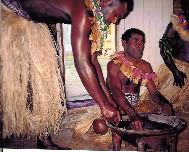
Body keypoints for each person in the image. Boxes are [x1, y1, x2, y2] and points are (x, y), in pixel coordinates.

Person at [0, 0, 133, 148]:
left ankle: (44, 141)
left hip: (33, 20)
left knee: (42, 91)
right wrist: (103, 105)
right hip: (11, 13)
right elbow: (82, 63)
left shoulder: (93, 18)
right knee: (19, 93)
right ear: (107, 1)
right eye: (116, 15)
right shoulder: (83, 8)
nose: (115, 21)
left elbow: (93, 62)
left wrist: (109, 101)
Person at [140, 0, 189, 113]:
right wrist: (175, 72)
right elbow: (163, 49)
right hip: (178, 72)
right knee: (165, 106)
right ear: (184, 6)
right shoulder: (175, 25)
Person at [106, 28, 174, 150]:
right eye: (135, 40)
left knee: (164, 111)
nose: (140, 45)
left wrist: (164, 103)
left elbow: (153, 93)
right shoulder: (114, 64)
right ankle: (121, 135)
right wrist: (131, 114)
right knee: (100, 126)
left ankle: (139, 136)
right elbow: (115, 92)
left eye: (142, 41)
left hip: (136, 107)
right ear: (124, 43)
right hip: (116, 107)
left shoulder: (145, 66)